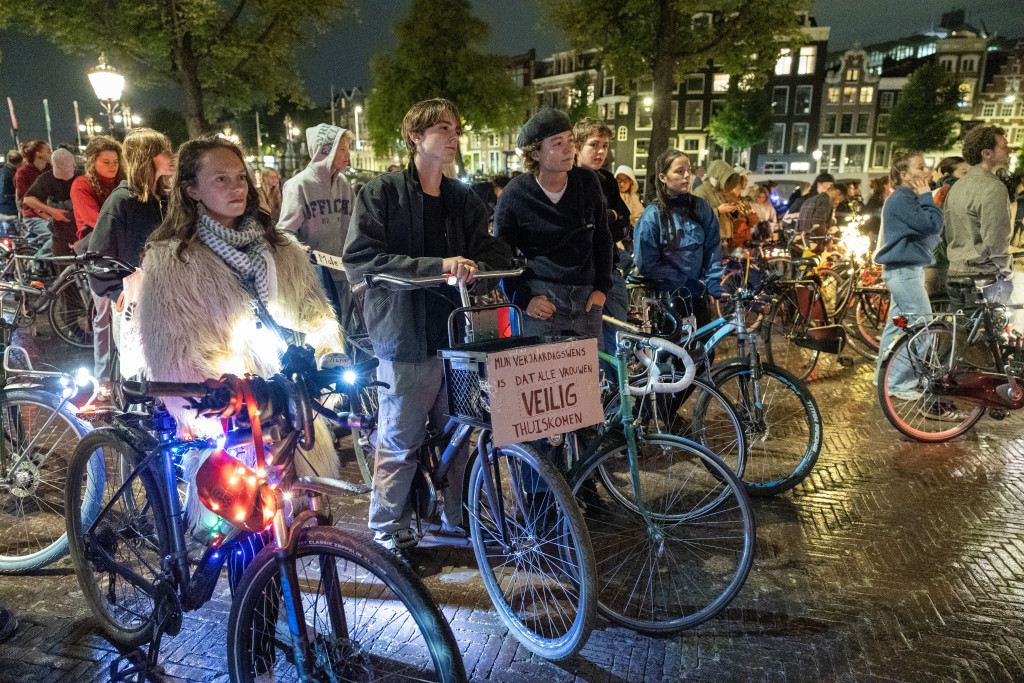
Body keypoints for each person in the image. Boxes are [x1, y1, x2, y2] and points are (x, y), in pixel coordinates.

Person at [139, 135, 343, 561]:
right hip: (235, 414)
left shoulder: (281, 249)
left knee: (298, 525)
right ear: (191, 189)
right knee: (245, 546)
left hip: (287, 407)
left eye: (240, 178)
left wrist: (327, 354)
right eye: (220, 179)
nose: (236, 188)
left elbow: (313, 310)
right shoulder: (172, 259)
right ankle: (247, 603)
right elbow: (175, 349)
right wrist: (222, 393)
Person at [344, 98, 512, 553]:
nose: (453, 135)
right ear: (415, 137)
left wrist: (484, 265)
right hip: (405, 336)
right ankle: (388, 527)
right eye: (442, 128)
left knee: (460, 436)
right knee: (401, 437)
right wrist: (440, 266)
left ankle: (460, 516)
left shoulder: (462, 198)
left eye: (456, 128)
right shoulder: (381, 193)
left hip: (458, 335)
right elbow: (362, 260)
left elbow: (488, 248)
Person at [494, 107, 612, 346]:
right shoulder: (515, 194)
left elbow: (602, 238)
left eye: (570, 140)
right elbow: (502, 254)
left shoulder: (587, 182)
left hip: (586, 297)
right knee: (540, 369)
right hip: (542, 299)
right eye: (558, 143)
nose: (569, 149)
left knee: (590, 368)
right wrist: (523, 299)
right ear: (535, 153)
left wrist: (602, 288)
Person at [88, 128, 174, 383]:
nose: (171, 157)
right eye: (164, 152)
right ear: (147, 157)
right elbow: (97, 257)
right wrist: (118, 293)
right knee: (139, 377)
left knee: (168, 374)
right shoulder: (121, 201)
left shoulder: (167, 200)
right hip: (136, 304)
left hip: (167, 301)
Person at [873, 151, 943, 397]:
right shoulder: (903, 199)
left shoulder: (902, 198)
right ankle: (897, 384)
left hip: (903, 272)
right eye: (920, 167)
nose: (927, 171)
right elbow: (932, 224)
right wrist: (926, 195)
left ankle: (883, 378)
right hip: (904, 273)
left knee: (897, 327)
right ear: (904, 174)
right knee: (923, 327)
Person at [277, 124, 358, 337]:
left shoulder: (344, 183)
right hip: (316, 278)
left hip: (344, 273)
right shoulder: (298, 185)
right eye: (342, 149)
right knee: (322, 336)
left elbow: (354, 225)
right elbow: (284, 231)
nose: (347, 155)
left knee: (347, 335)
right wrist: (300, 250)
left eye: (347, 149)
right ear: (325, 150)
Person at [633, 148, 724, 331]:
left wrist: (713, 281)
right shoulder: (652, 215)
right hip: (666, 300)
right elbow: (647, 263)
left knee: (703, 344)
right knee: (673, 347)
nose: (687, 176)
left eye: (688, 170)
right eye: (679, 171)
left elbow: (713, 246)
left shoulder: (700, 207)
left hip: (698, 297)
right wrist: (683, 280)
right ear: (663, 177)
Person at [573, 117, 630, 355]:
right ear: (577, 147)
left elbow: (624, 222)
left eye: (605, 146)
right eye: (594, 145)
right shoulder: (568, 179)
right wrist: (609, 216)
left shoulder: (608, 180)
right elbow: (580, 227)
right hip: (582, 275)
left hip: (610, 270)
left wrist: (605, 224)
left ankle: (615, 380)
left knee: (619, 341)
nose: (601, 152)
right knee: (588, 345)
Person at [943, 125, 1015, 308]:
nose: (1010, 150)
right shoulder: (993, 188)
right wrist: (1007, 271)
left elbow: (949, 231)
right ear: (987, 153)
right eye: (1004, 146)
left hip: (955, 273)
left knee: (961, 326)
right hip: (984, 277)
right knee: (997, 325)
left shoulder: (957, 187)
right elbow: (996, 241)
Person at [22, 148, 77, 256]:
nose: (64, 174)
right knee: (59, 258)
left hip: (80, 226)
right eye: (60, 169)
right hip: (58, 227)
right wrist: (52, 211)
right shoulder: (46, 178)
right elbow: (28, 199)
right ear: (52, 165)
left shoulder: (81, 176)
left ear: (73, 164)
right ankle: (37, 261)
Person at [926, 156, 969, 297]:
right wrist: (945, 181)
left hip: (940, 263)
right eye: (964, 173)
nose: (969, 178)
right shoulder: (943, 193)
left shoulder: (934, 193)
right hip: (940, 264)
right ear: (946, 175)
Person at [70, 135, 124, 245]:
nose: (112, 166)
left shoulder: (123, 182)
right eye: (106, 162)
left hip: (122, 235)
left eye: (116, 162)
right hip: (93, 239)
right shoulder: (81, 184)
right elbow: (96, 220)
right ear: (93, 162)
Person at [692, 160, 741, 247]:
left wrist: (732, 211)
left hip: (723, 240)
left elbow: (724, 217)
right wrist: (718, 210)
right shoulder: (701, 191)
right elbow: (697, 216)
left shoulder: (720, 192)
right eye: (725, 177)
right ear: (717, 175)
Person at [13, 140, 52, 241]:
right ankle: (42, 252)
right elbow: (27, 200)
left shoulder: (50, 169)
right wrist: (48, 217)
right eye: (48, 151)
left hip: (51, 213)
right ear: (38, 154)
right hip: (33, 217)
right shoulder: (23, 172)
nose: (51, 153)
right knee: (55, 235)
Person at [0, 150, 22, 217]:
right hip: (12, 210)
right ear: (19, 163)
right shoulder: (16, 175)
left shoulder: (1, 171)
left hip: (2, 210)